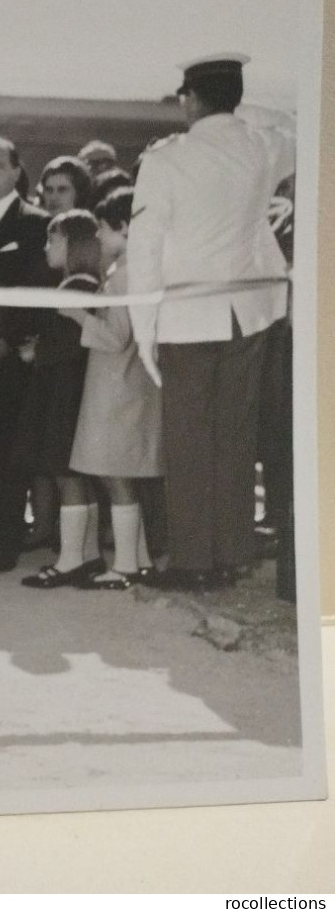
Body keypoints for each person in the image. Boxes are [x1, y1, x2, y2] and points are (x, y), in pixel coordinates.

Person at [127, 53, 295, 591]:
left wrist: (143, 327)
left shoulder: (167, 159)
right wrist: (245, 110)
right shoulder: (261, 146)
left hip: (185, 316)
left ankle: (193, 562)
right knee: (235, 440)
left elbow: (144, 248)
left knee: (189, 443)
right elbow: (295, 127)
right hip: (247, 314)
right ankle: (233, 555)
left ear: (190, 98)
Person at [62, 188, 162, 589]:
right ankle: (137, 559)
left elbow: (116, 337)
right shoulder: (129, 270)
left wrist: (78, 316)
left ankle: (124, 566)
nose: (99, 237)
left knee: (115, 477)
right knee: (119, 476)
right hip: (123, 385)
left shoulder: (124, 275)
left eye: (103, 229)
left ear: (124, 228)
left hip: (118, 388)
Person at [0, 135, 51, 572]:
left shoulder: (36, 225)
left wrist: (8, 342)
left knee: (3, 455)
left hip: (9, 358)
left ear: (17, 171)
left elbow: (39, 291)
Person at [17, 210, 104, 588]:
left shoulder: (76, 288)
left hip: (64, 393)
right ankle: (88, 554)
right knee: (75, 475)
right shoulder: (79, 285)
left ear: (71, 243)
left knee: (65, 474)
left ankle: (70, 560)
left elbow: (70, 346)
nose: (47, 246)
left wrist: (39, 352)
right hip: (70, 390)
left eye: (53, 239)